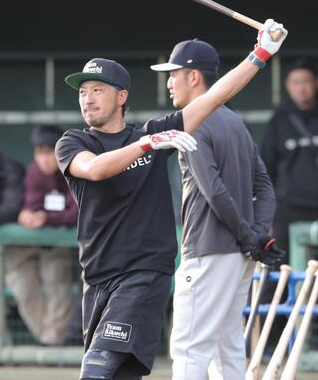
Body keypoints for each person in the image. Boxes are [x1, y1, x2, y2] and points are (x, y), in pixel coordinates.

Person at [55, 19, 287, 380]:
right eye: (83, 91)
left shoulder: (153, 132)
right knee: (119, 373)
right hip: (99, 277)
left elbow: (212, 98)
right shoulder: (74, 141)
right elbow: (97, 169)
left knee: (98, 369)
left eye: (98, 89)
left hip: (144, 274)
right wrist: (146, 144)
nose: (87, 98)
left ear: (122, 96)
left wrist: (260, 54)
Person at [151, 38, 285, 380]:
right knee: (227, 352)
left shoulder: (193, 122)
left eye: (174, 73)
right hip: (239, 257)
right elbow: (265, 187)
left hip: (209, 250)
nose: (169, 82)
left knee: (190, 350)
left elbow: (213, 191)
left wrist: (248, 235)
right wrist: (256, 235)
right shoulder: (235, 123)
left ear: (194, 77)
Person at [5, 125, 78, 346]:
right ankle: (47, 341)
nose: (44, 159)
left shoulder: (74, 169)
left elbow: (75, 212)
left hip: (67, 248)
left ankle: (51, 342)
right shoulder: (34, 172)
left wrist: (46, 217)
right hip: (34, 244)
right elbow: (33, 206)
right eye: (40, 153)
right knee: (21, 284)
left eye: (49, 152)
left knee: (56, 279)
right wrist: (30, 216)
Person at [261, 60, 318, 264]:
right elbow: (265, 171)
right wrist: (266, 217)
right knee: (281, 269)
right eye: (295, 82)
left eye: (306, 81)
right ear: (287, 85)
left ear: (315, 83)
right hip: (288, 209)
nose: (301, 88)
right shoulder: (279, 122)